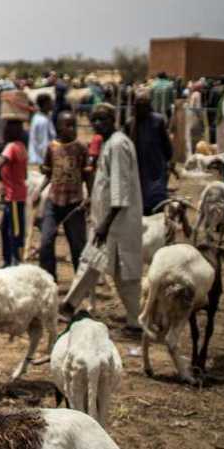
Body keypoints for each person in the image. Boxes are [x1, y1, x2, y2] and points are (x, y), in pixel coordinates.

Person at [61, 104, 144, 336]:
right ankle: (69, 305)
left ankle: (135, 321)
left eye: (103, 119)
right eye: (94, 120)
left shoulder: (117, 145)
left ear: (113, 119)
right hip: (108, 220)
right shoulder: (111, 143)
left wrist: (105, 224)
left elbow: (119, 189)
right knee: (93, 263)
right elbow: (106, 184)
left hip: (116, 222)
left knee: (120, 272)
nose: (98, 124)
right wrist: (91, 201)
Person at [36, 111, 89, 281]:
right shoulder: (52, 147)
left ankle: (80, 287)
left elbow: (88, 175)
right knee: (45, 242)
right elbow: (49, 173)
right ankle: (49, 279)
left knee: (77, 247)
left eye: (74, 124)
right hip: (54, 200)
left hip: (74, 203)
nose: (72, 128)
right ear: (59, 127)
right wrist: (37, 192)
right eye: (68, 125)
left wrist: (91, 197)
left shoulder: (81, 148)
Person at [130, 90, 174, 215]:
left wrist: (168, 160)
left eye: (144, 105)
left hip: (156, 167)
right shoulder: (131, 123)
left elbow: (166, 145)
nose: (141, 109)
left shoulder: (158, 121)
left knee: (156, 199)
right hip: (138, 168)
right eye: (138, 105)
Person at [0, 116, 28, 267]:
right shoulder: (21, 146)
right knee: (7, 228)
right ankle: (8, 260)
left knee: (14, 231)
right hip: (15, 194)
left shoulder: (11, 147)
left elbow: (2, 162)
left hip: (13, 196)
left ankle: (15, 261)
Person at [29, 94, 55, 165]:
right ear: (45, 105)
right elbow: (43, 143)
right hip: (41, 160)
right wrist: (47, 160)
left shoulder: (41, 117)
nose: (52, 104)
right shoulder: (42, 121)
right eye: (50, 103)